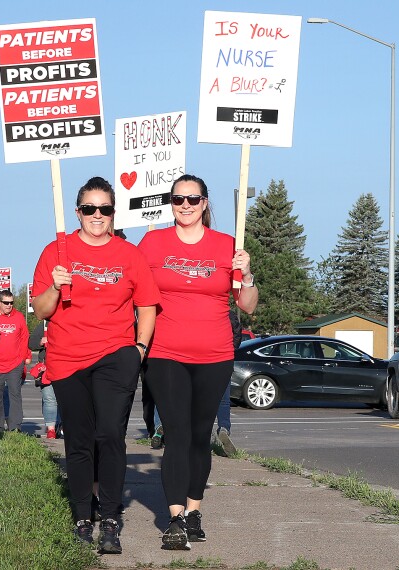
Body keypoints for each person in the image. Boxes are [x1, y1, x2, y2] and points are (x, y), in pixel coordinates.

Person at [32, 176, 160, 554]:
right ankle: (82, 517)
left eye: (105, 208)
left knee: (109, 434)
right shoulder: (57, 251)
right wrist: (55, 285)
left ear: (113, 212)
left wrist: (138, 349)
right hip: (68, 357)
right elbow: (40, 310)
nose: (97, 215)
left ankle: (110, 518)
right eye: (90, 208)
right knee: (80, 439)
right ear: (78, 212)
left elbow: (147, 306)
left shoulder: (129, 253)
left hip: (115, 355)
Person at [138, 174, 258, 550]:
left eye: (192, 199)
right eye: (178, 200)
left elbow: (247, 304)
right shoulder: (153, 243)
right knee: (176, 432)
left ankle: (193, 512)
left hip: (215, 354)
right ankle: (173, 519)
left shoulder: (227, 246)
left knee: (200, 435)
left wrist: (247, 272)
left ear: (205, 202)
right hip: (166, 353)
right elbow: (135, 292)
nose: (185, 206)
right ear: (170, 203)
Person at [0, 289, 31, 434]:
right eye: (6, 303)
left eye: (11, 303)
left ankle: (15, 426)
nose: (9, 305)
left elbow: (24, 338)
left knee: (15, 394)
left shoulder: (19, 317)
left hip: (15, 363)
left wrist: (24, 358)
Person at [214, 311, 243, 455]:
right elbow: (238, 336)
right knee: (223, 400)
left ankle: (200, 435)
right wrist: (231, 349)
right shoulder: (231, 315)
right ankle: (224, 427)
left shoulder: (208, 312)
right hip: (225, 360)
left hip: (206, 359)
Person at [29, 320, 58, 439]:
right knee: (49, 398)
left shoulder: (70, 320)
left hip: (66, 365)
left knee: (64, 399)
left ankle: (60, 425)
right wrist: (40, 341)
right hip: (47, 367)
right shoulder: (45, 323)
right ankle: (51, 429)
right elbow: (31, 342)